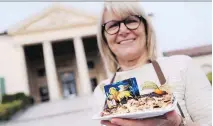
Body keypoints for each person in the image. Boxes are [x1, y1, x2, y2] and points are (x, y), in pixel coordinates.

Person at [93, 2, 212, 126]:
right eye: (112, 25)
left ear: (146, 28)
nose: (123, 30)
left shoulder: (181, 66)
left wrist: (179, 124)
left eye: (131, 21)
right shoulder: (101, 92)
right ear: (104, 38)